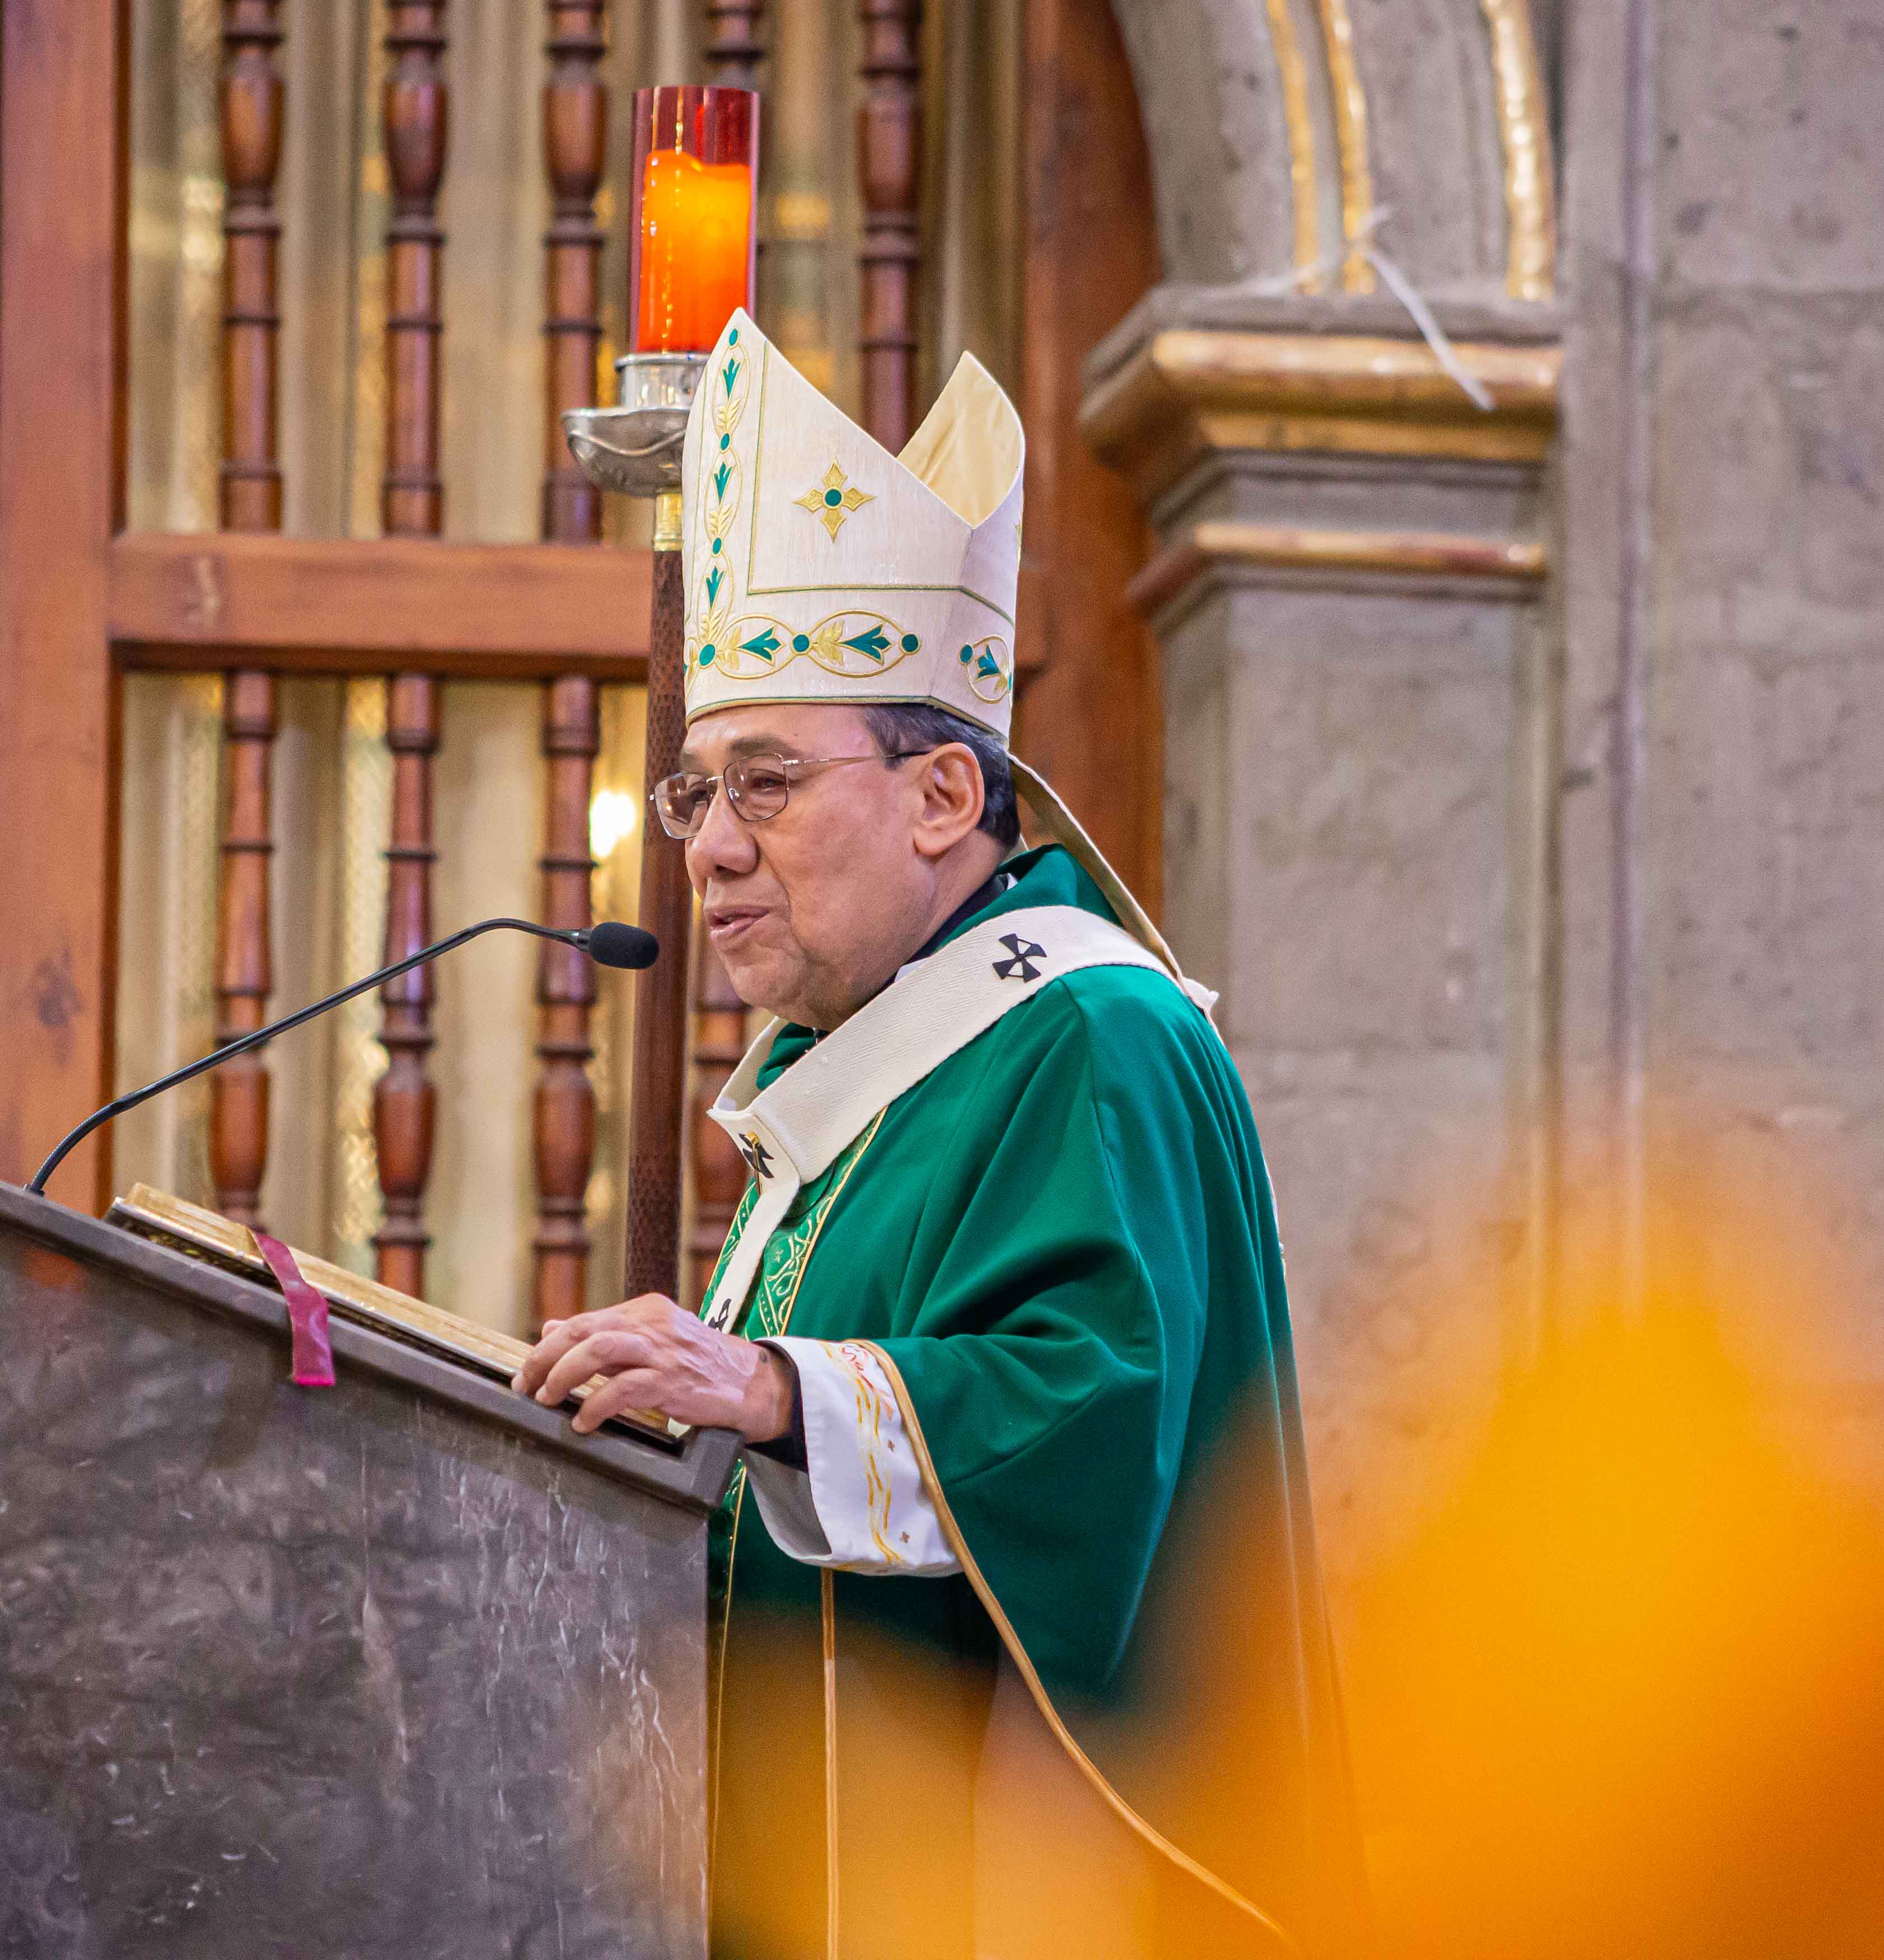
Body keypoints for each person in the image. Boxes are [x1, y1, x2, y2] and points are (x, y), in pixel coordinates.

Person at [515, 313, 1362, 1957]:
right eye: (697, 796)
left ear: (943, 802)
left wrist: (768, 1388)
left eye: (764, 783)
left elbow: (1110, 1422)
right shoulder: (853, 1072)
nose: (709, 853)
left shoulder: (1096, 1034)